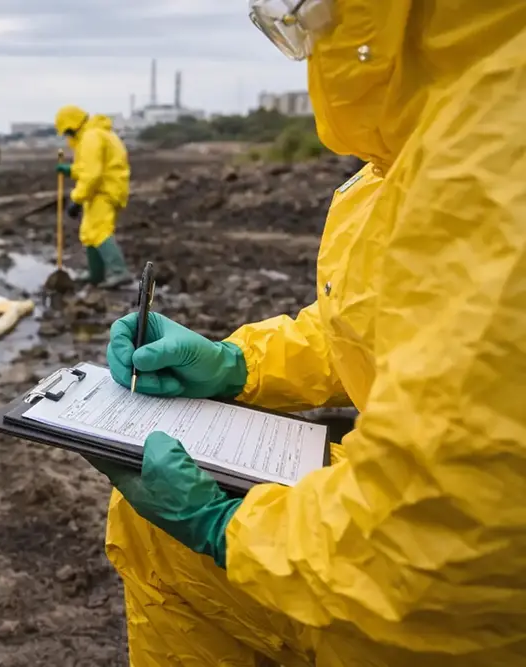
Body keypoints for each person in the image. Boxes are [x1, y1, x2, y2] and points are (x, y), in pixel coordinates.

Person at [90, 0, 526, 665]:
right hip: (419, 535)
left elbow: (436, 555)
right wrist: (239, 362)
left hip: (441, 610)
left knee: (162, 536)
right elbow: (380, 324)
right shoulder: (424, 149)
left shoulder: (490, 158)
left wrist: (226, 529)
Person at [53, 105, 132, 287]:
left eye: (67, 132)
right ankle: (96, 275)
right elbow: (87, 168)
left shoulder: (91, 137)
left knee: (99, 231)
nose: (68, 136)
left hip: (104, 191)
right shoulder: (95, 135)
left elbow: (92, 175)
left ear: (72, 126)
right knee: (89, 232)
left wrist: (77, 199)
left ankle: (120, 272)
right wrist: (70, 170)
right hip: (102, 190)